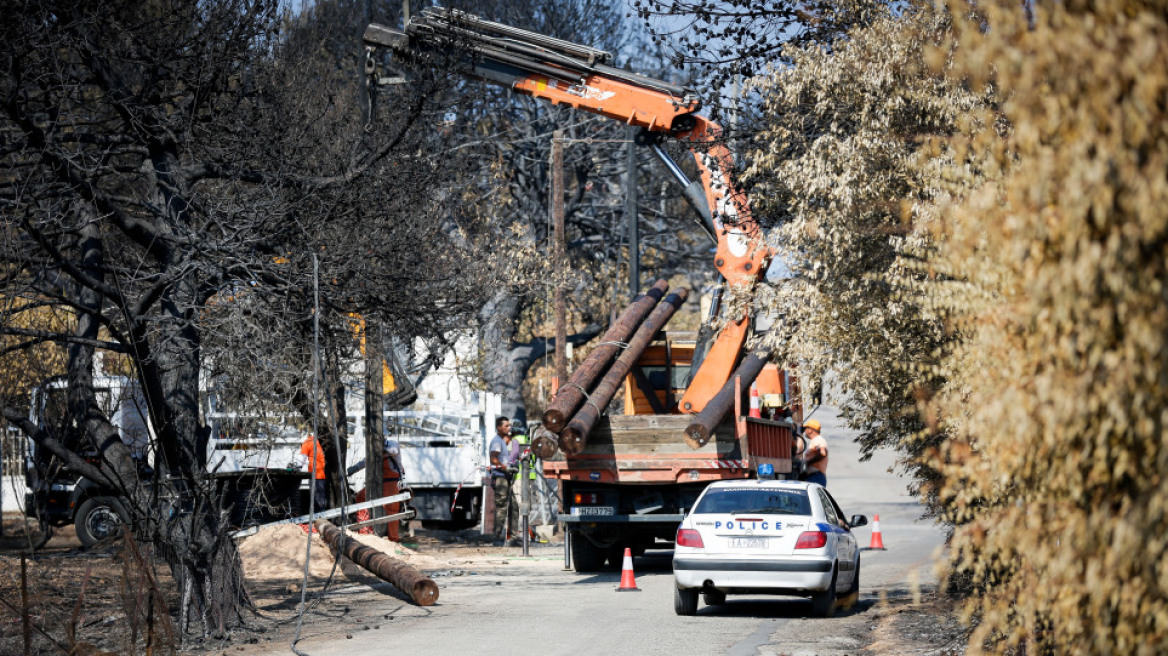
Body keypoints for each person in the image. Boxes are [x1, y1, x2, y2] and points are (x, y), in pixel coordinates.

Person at [350, 439, 407, 540]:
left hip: (392, 482)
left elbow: (394, 451)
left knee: (392, 509)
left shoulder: (392, 444)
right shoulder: (374, 450)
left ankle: (393, 539)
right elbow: (365, 462)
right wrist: (353, 469)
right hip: (378, 482)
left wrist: (379, 449)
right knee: (360, 497)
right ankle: (365, 529)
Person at [488, 416, 521, 544]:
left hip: (508, 476)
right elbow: (493, 458)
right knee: (502, 506)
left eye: (509, 425)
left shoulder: (504, 440)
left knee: (514, 506)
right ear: (499, 428)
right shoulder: (496, 441)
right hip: (501, 477)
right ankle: (497, 536)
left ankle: (513, 536)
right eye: (506, 426)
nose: (509, 427)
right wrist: (505, 468)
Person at [297, 433, 328, 512]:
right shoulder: (323, 441)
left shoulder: (308, 442)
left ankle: (319, 518)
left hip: (316, 475)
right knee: (322, 499)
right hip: (324, 475)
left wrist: (297, 468)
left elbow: (301, 459)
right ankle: (322, 517)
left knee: (317, 500)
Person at [802, 419, 829, 487]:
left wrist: (808, 462)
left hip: (816, 476)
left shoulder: (818, 439)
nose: (805, 431)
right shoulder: (815, 441)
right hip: (814, 476)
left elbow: (823, 453)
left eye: (806, 429)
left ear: (810, 430)